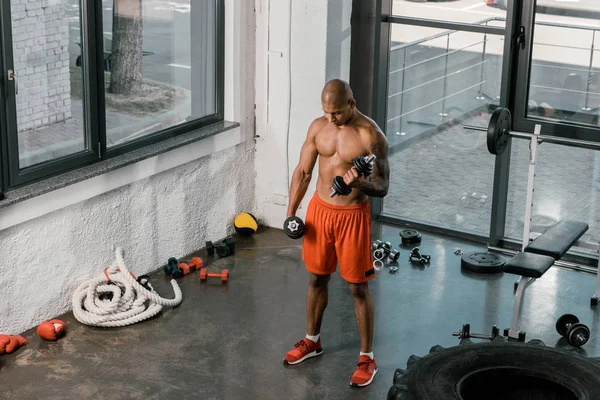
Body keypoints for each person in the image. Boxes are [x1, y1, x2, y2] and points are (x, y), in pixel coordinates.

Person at [283, 79, 390, 387]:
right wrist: (291, 212)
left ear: (351, 105)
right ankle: (312, 341)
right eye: (326, 112)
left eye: (337, 113)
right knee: (316, 278)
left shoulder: (371, 136)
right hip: (319, 212)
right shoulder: (318, 128)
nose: (331, 118)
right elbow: (303, 172)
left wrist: (356, 183)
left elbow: (382, 186)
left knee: (358, 288)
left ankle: (367, 358)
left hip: (352, 216)